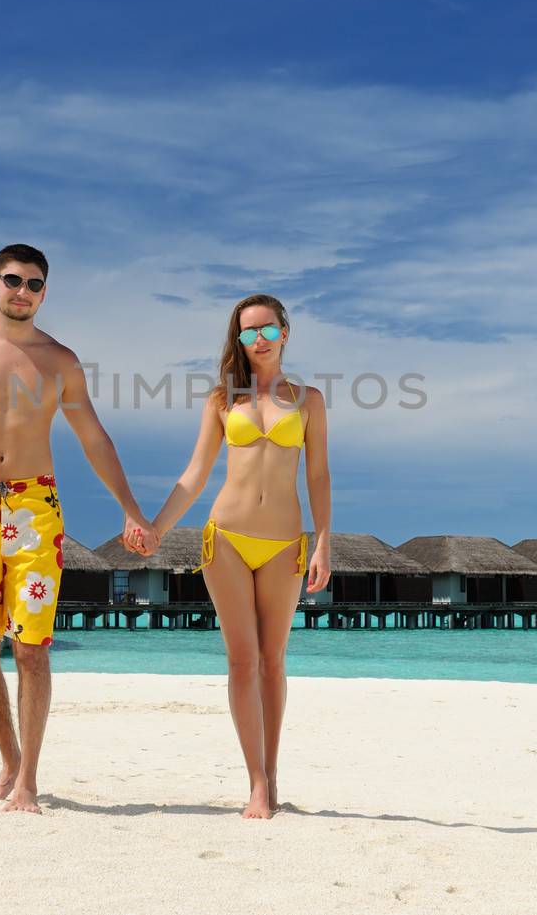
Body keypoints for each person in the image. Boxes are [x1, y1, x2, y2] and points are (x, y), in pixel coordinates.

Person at [0, 243, 160, 814]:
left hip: (35, 506)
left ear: (45, 292)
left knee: (33, 648)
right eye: (13, 280)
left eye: (34, 284)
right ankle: (10, 759)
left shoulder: (60, 361)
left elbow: (94, 438)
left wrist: (131, 509)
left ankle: (28, 781)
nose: (23, 291)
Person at [148, 294, 332, 819]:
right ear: (239, 338)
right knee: (242, 660)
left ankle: (272, 775)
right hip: (224, 538)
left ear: (285, 331)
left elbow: (317, 475)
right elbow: (195, 475)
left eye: (266, 329)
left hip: (283, 543)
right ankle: (254, 781)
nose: (257, 339)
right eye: (247, 331)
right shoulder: (222, 400)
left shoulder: (309, 400)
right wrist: (157, 527)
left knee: (274, 663)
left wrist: (323, 541)